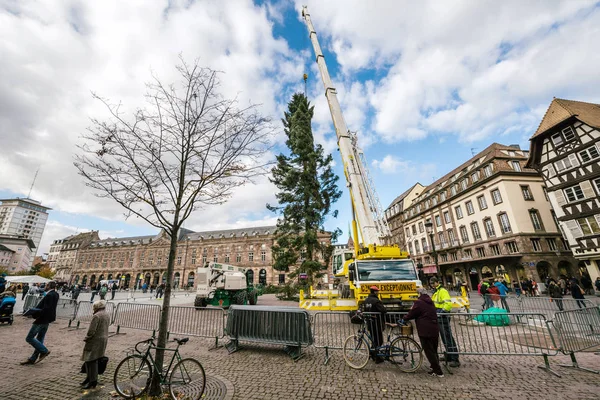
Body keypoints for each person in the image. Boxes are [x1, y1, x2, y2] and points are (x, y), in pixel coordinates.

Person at [401, 287, 443, 377]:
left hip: (425, 329)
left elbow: (412, 313)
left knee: (428, 350)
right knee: (433, 349)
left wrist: (404, 318)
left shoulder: (419, 302)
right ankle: (434, 367)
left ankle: (438, 371)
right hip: (434, 327)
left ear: (419, 294)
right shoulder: (430, 301)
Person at [20, 281, 59, 365]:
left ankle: (44, 351)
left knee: (29, 338)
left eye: (46, 285)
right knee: (39, 339)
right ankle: (33, 358)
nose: (44, 286)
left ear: (49, 286)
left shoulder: (49, 295)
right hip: (47, 320)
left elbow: (46, 309)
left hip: (42, 319)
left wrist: (34, 312)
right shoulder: (55, 294)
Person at [430, 277, 460, 368]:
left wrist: (441, 312)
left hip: (443, 316)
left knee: (448, 337)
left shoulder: (442, 291)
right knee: (444, 337)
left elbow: (448, 304)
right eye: (431, 284)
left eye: (433, 283)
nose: (431, 285)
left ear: (437, 282)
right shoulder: (436, 291)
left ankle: (455, 358)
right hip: (438, 315)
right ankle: (449, 355)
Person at [80, 300, 110, 389]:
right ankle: (89, 378)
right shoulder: (106, 314)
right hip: (103, 339)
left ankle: (92, 380)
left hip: (95, 340)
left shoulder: (96, 316)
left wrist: (87, 337)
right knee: (92, 359)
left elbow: (91, 330)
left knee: (91, 360)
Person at [362, 286, 386, 364]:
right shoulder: (376, 301)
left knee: (374, 340)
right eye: (377, 291)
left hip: (370, 323)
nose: (378, 293)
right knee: (379, 341)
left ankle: (373, 354)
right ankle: (376, 356)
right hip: (377, 323)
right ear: (375, 292)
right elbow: (383, 310)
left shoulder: (366, 300)